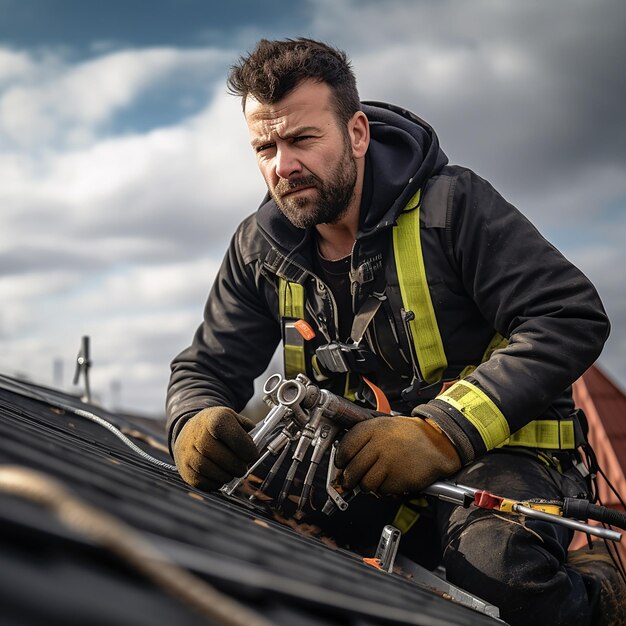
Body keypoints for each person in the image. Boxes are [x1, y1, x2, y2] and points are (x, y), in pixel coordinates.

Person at [166, 38, 616, 625]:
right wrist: (191, 422)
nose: (283, 166)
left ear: (356, 133)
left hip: (503, 455)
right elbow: (205, 367)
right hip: (363, 466)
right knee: (233, 523)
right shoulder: (260, 247)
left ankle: (602, 601)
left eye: (302, 139)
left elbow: (569, 315)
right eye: (264, 147)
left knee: (499, 572)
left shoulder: (452, 206)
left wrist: (441, 433)